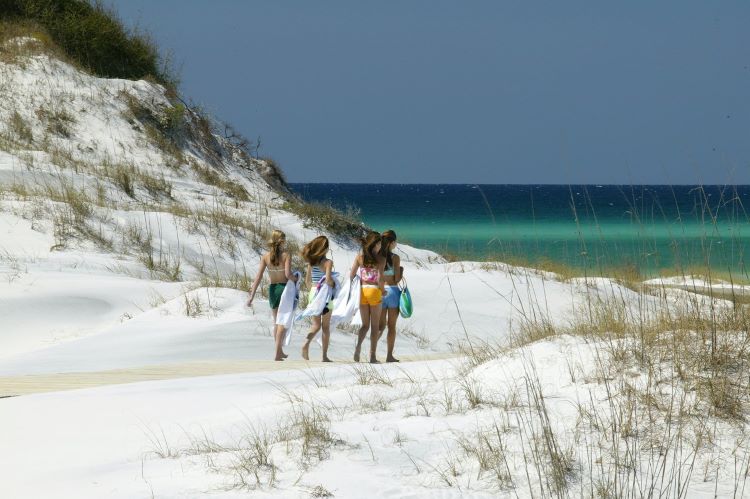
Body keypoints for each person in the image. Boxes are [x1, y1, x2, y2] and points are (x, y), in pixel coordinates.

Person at [247, 230, 298, 361]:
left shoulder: (265, 257)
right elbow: (287, 275)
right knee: (283, 321)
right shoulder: (286, 255)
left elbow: (258, 277)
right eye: (284, 239)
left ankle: (279, 351)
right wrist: (296, 278)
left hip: (273, 289)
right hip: (284, 289)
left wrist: (252, 295)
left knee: (276, 322)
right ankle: (277, 352)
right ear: (282, 241)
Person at [350, 231, 386, 363]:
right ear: (376, 244)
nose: (381, 246)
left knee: (365, 325)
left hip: (362, 291)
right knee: (375, 326)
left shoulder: (360, 257)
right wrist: (383, 291)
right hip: (374, 291)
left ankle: (358, 347)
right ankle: (372, 356)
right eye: (380, 243)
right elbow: (380, 279)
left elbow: (352, 274)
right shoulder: (381, 259)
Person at [300, 236, 335, 362]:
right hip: (325, 294)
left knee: (315, 324)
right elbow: (329, 280)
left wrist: (312, 291)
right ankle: (324, 356)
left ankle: (306, 343)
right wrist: (334, 285)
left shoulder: (311, 262)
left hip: (313, 292)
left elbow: (307, 280)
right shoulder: (328, 263)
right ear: (325, 249)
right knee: (325, 327)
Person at [378, 230, 402, 362]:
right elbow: (397, 278)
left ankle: (372, 353)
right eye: (395, 241)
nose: (396, 244)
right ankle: (389, 356)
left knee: (380, 326)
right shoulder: (395, 258)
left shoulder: (378, 257)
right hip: (392, 291)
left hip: (380, 291)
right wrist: (401, 271)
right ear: (391, 242)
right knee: (391, 326)